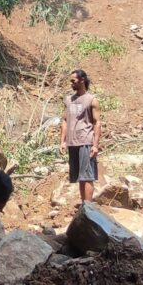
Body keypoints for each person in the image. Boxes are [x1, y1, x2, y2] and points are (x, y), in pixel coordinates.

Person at [60, 68, 101, 205]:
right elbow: (65, 120)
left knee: (87, 177)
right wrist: (63, 141)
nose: (71, 83)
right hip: (72, 143)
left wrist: (95, 145)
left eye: (73, 81)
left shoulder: (91, 100)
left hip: (86, 141)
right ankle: (84, 206)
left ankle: (88, 209)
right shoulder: (68, 100)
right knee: (79, 177)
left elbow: (97, 123)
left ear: (82, 80)